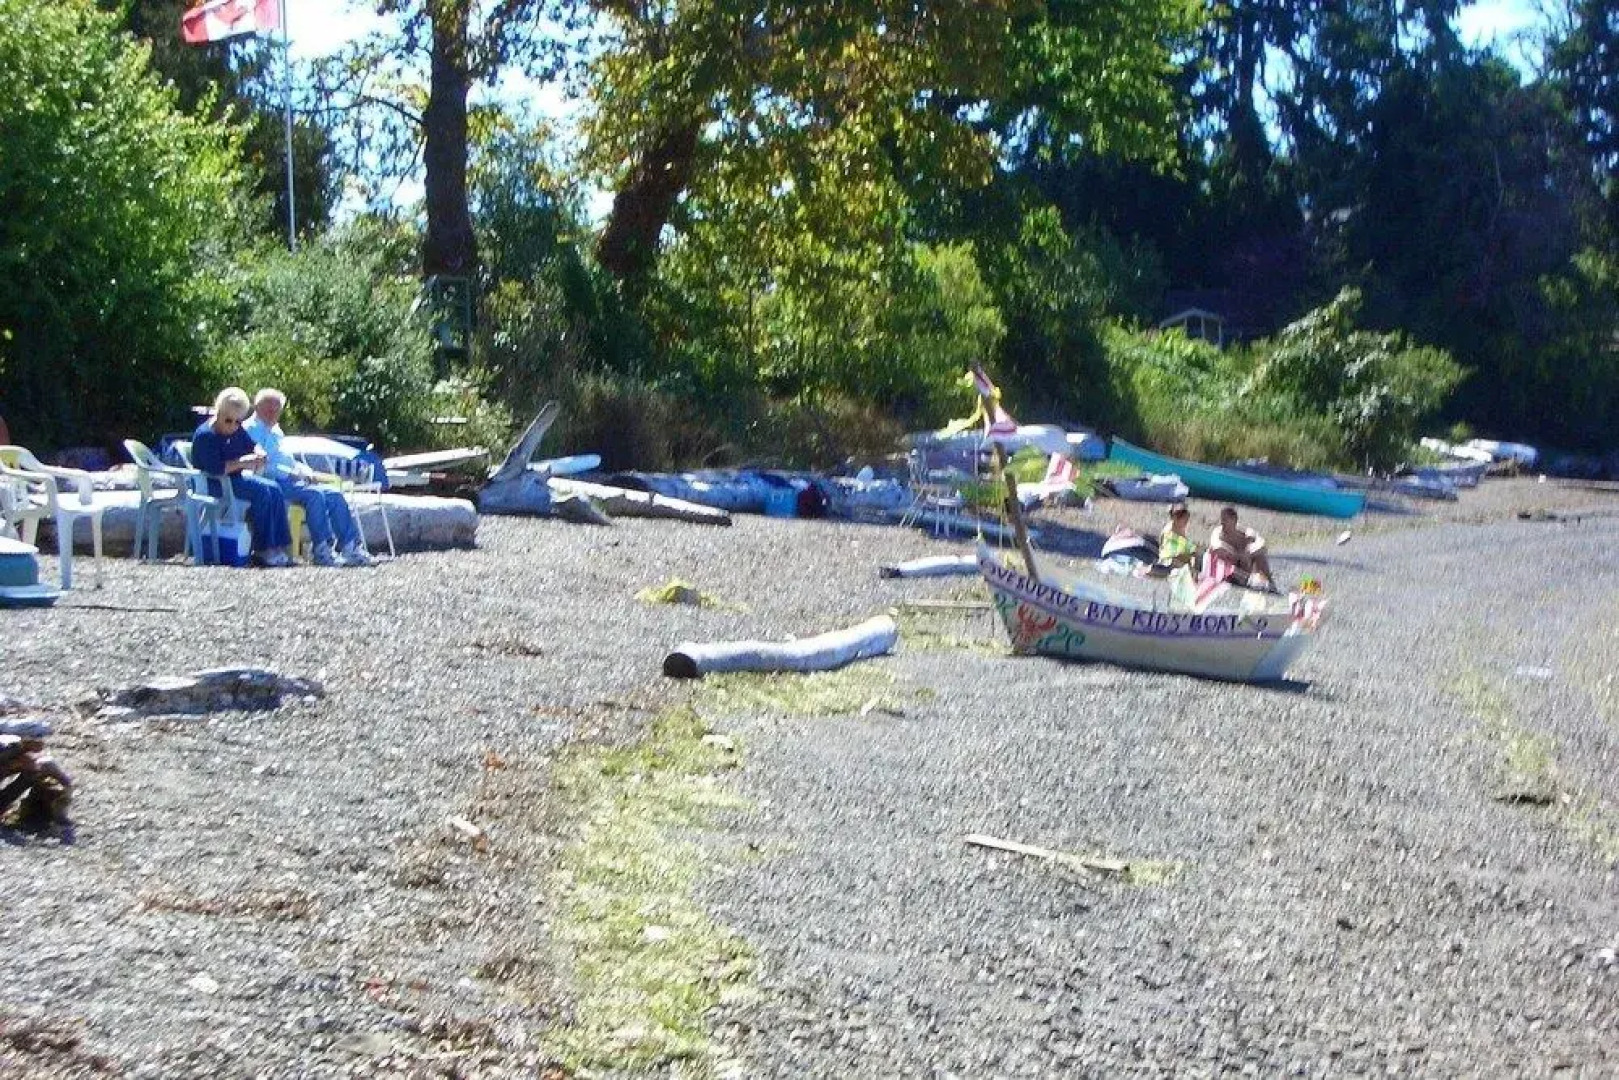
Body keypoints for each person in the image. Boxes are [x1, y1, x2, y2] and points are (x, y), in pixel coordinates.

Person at [243, 388, 375, 567]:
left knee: (334, 494)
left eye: (277, 409)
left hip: (293, 479)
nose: (273, 412)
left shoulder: (276, 431)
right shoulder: (251, 430)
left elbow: (287, 460)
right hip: (272, 482)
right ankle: (321, 548)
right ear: (257, 407)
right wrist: (290, 473)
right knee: (314, 495)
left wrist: (305, 470)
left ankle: (350, 546)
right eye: (269, 408)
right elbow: (262, 464)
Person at [189, 387, 296, 567]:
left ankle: (280, 545)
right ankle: (263, 549)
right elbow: (217, 469)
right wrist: (243, 463)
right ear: (219, 413)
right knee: (262, 493)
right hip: (214, 483)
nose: (232, 426)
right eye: (228, 420)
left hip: (233, 480)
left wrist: (259, 452)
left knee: (274, 489)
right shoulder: (207, 436)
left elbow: (250, 444)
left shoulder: (237, 430)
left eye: (238, 422)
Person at [1208, 505, 1273, 589]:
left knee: (1260, 556)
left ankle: (1269, 583)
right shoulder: (1218, 534)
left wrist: (1248, 552)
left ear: (1234, 521)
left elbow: (1262, 544)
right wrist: (1236, 555)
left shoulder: (1244, 532)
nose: (1222, 523)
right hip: (1229, 564)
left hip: (1245, 561)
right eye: (1222, 519)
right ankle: (1244, 582)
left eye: (1225, 520)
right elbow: (1216, 548)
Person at [1157, 501, 1198, 569]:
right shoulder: (1169, 532)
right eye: (1178, 515)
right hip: (1172, 563)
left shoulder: (1183, 529)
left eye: (1183, 514)